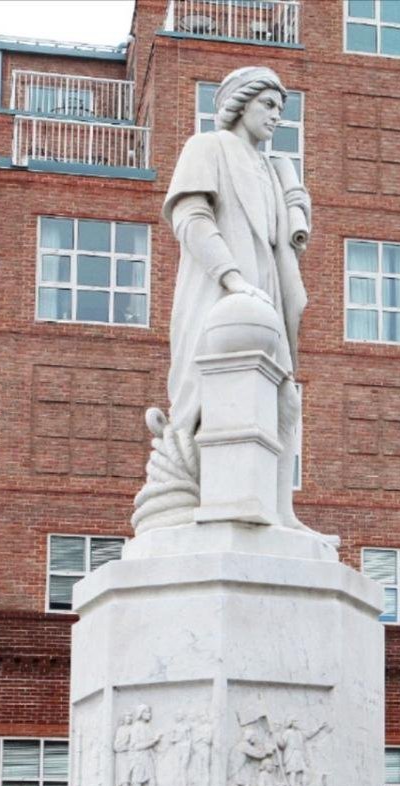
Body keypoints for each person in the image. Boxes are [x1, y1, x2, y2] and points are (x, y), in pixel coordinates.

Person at [163, 65, 312, 531]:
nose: (276, 116)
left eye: (281, 108)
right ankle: (210, 501)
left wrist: (296, 204)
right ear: (239, 104)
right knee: (212, 399)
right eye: (267, 104)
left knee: (285, 402)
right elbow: (191, 218)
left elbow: (281, 241)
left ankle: (280, 510)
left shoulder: (272, 170)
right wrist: (231, 278)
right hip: (221, 295)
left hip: (265, 295)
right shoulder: (206, 147)